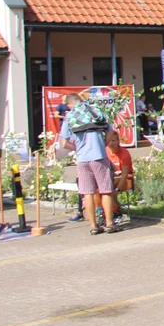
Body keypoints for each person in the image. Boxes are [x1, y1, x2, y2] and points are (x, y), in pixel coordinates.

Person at [59, 93, 119, 234]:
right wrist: (103, 144)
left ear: (69, 105)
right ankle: (109, 224)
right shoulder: (96, 112)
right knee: (106, 190)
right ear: (81, 100)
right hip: (99, 156)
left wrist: (77, 149)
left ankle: (93, 226)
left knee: (88, 193)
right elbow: (111, 133)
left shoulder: (69, 117)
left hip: (82, 160)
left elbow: (63, 143)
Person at [104, 130, 132, 226]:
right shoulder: (105, 151)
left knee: (108, 187)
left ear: (118, 141)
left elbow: (125, 174)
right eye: (109, 141)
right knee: (98, 188)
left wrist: (118, 189)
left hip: (126, 179)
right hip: (111, 178)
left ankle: (116, 212)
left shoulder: (124, 153)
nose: (111, 143)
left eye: (113, 141)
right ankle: (103, 212)